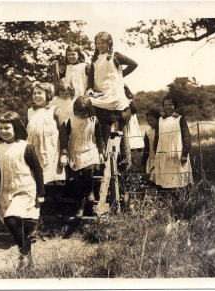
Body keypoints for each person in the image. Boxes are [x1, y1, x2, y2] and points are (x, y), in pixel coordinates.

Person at [0, 111, 45, 269]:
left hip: (25, 189)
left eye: (7, 128)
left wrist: (40, 193)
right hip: (7, 190)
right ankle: (28, 257)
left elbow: (38, 171)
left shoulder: (26, 147)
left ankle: (24, 253)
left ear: (16, 128)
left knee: (11, 218)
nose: (3, 131)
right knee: (12, 222)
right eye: (0, 128)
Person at [86, 31, 138, 169]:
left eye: (102, 43)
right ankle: (101, 154)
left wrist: (120, 76)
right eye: (97, 43)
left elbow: (134, 64)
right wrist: (90, 88)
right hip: (100, 92)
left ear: (109, 43)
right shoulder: (95, 59)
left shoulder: (116, 56)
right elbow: (91, 77)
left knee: (120, 125)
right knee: (97, 118)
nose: (100, 46)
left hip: (114, 92)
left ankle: (124, 159)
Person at [60, 96, 105, 219]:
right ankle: (80, 208)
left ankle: (90, 191)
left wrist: (101, 152)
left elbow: (99, 138)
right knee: (78, 181)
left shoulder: (94, 120)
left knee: (88, 173)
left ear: (89, 110)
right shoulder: (70, 121)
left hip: (90, 150)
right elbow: (64, 140)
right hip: (75, 151)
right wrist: (64, 154)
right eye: (79, 112)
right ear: (75, 110)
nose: (82, 114)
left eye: (85, 112)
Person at [151, 96, 193, 199]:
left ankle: (183, 200)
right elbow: (157, 138)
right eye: (165, 105)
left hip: (177, 154)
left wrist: (185, 153)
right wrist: (156, 153)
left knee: (179, 179)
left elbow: (186, 137)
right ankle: (167, 200)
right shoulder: (160, 120)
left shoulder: (180, 119)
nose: (168, 107)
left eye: (170, 104)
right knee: (165, 179)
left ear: (175, 106)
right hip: (163, 156)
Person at [26, 81, 67, 185]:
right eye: (34, 93)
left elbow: (63, 133)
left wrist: (64, 153)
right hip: (35, 153)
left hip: (52, 153)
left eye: (40, 93)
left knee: (53, 183)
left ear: (48, 94)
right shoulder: (29, 112)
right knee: (36, 181)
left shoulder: (55, 111)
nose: (36, 96)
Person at [141, 108, 161, 178]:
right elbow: (146, 148)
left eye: (152, 120)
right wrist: (143, 161)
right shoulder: (148, 132)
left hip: (161, 158)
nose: (150, 122)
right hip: (152, 158)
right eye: (148, 121)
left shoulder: (163, 130)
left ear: (158, 119)